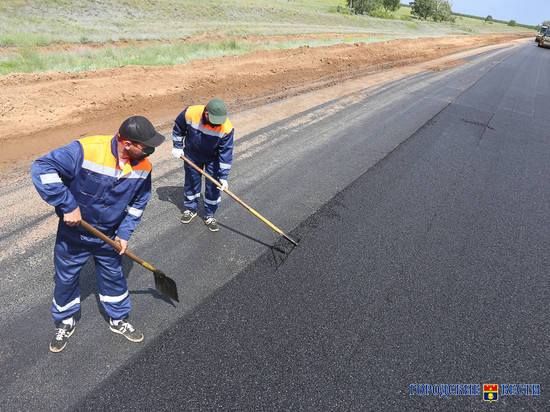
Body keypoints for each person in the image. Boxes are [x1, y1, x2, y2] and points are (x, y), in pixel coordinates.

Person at [30, 116, 165, 353]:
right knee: (66, 278)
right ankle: (65, 320)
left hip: (109, 236)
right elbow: (42, 168)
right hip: (74, 233)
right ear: (127, 143)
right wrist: (67, 204)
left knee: (114, 276)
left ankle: (118, 319)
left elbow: (138, 203)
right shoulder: (87, 150)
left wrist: (124, 234)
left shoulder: (144, 167)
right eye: (146, 147)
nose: (151, 151)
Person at [171, 98, 234, 232]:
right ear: (206, 113)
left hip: (213, 159)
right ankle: (191, 208)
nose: (216, 124)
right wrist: (177, 146)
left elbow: (226, 153)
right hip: (192, 155)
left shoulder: (226, 128)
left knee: (213, 186)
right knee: (192, 181)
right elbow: (178, 128)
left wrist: (223, 177)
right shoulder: (190, 113)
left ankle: (210, 214)